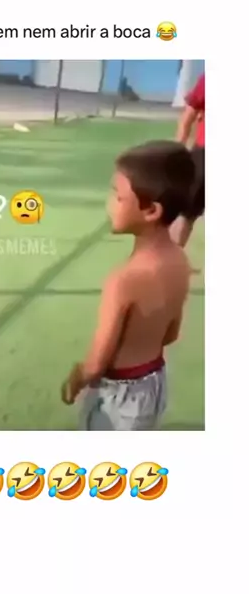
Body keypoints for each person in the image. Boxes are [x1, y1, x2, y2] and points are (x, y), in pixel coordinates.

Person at [62, 140, 194, 430]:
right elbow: (171, 334)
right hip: (154, 384)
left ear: (151, 211)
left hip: (118, 399)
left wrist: (76, 377)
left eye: (118, 197)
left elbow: (96, 365)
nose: (110, 204)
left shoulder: (123, 280)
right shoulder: (181, 260)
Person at [170, 72, 205, 251]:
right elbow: (187, 118)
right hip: (205, 154)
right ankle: (168, 259)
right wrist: (177, 152)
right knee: (186, 212)